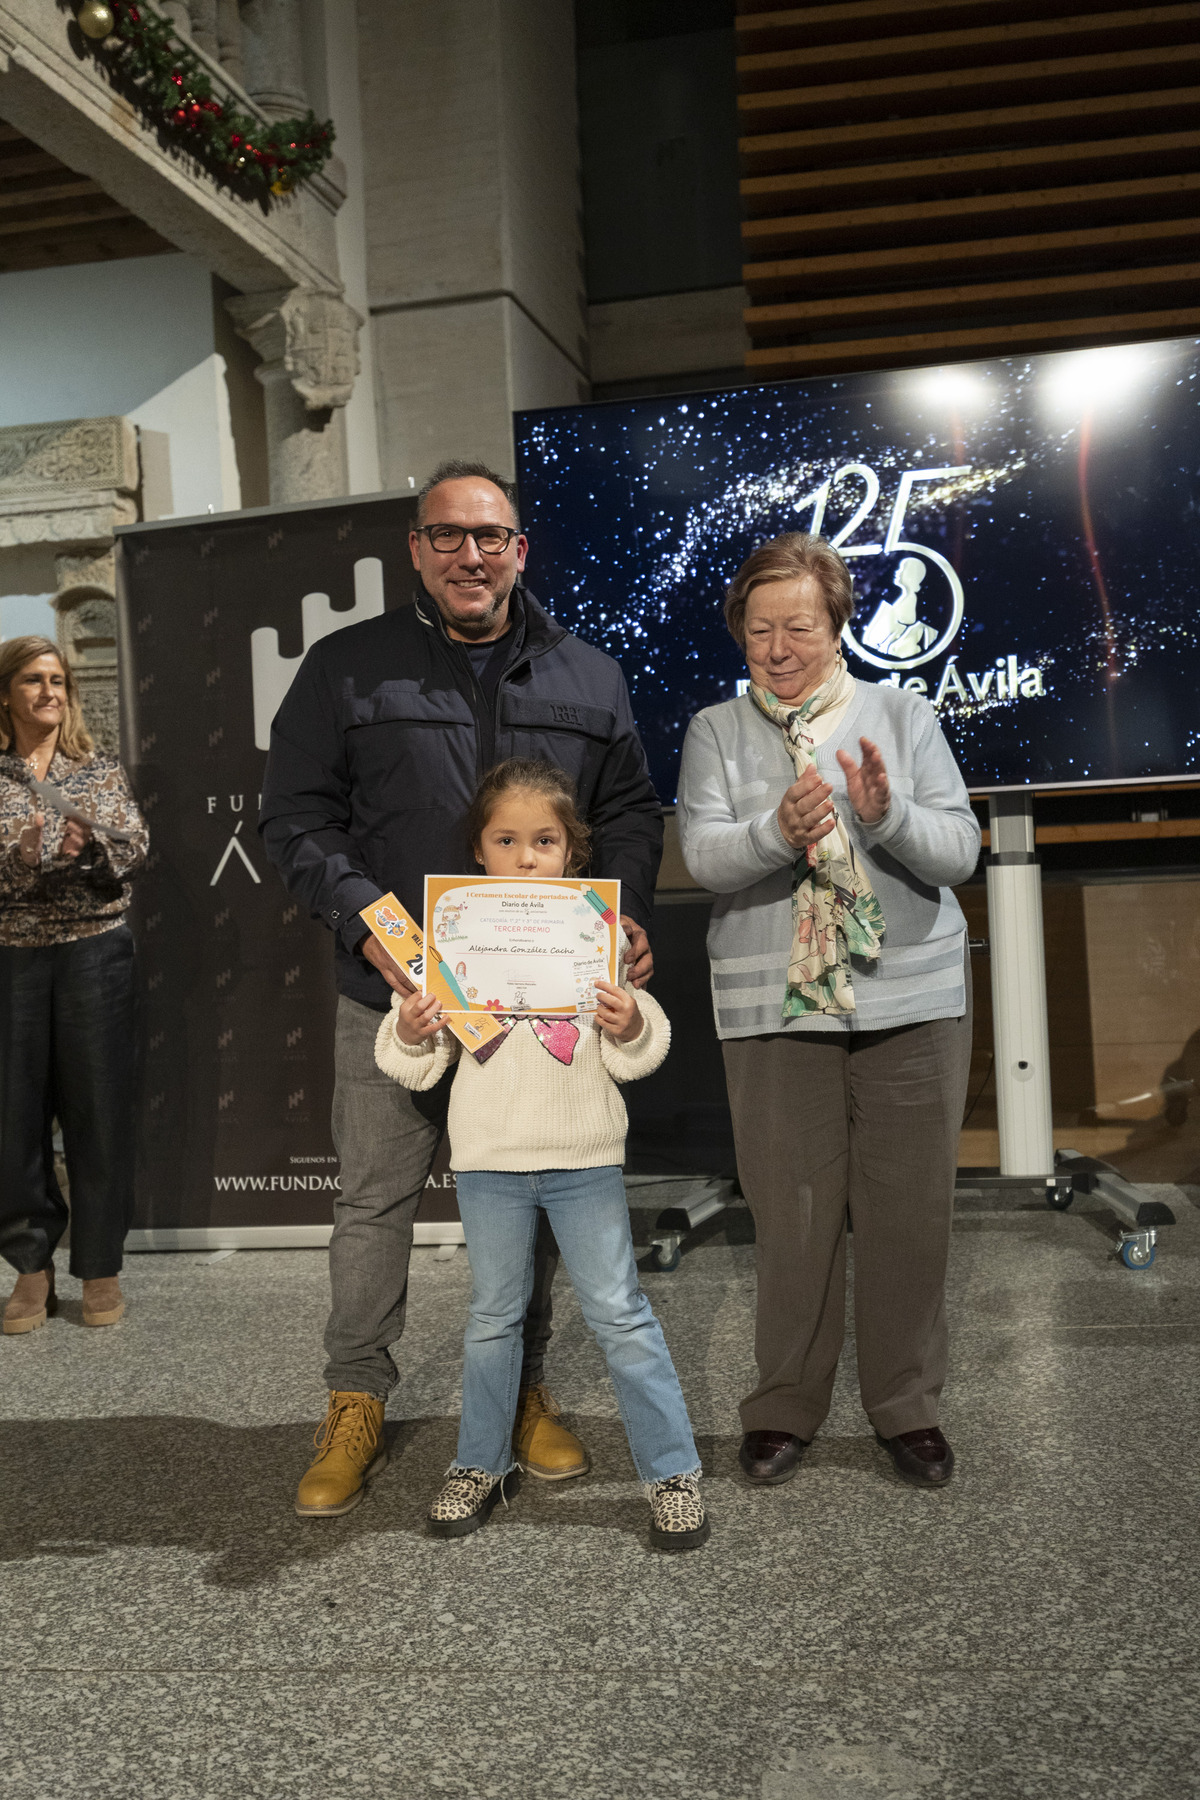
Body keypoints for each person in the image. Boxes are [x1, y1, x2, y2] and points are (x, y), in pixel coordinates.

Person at [259, 459, 664, 1518]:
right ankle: (355, 1398)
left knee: (522, 1208)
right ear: (418, 551)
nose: (470, 554)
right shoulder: (347, 668)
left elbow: (627, 817)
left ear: (519, 550)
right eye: (447, 536)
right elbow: (295, 818)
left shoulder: (589, 675)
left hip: (538, 1014)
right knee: (373, 1204)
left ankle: (521, 1391)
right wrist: (372, 930)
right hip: (399, 999)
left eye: (490, 536)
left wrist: (617, 923)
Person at [676, 533, 981, 1488]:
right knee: (794, 1217)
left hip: (911, 997)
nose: (779, 645)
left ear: (836, 622)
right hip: (773, 1006)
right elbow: (703, 858)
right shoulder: (715, 732)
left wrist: (885, 817)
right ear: (739, 633)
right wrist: (778, 830)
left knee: (908, 1215)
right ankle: (785, 1407)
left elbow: (960, 848)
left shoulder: (904, 713)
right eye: (760, 629)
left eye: (799, 625)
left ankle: (904, 1406)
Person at [376, 760, 706, 1551]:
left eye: (546, 840)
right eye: (507, 839)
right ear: (480, 851)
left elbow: (639, 1052)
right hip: (490, 1160)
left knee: (620, 1313)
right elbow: (414, 1063)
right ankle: (479, 1464)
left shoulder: (597, 937)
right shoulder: (448, 938)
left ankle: (672, 1474)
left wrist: (629, 1022)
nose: (527, 857)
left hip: (585, 1154)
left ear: (572, 851)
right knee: (493, 1318)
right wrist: (413, 1028)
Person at [0, 636, 148, 1335]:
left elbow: (136, 845)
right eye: (32, 679)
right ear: (6, 693)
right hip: (11, 958)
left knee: (98, 1113)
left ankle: (100, 1267)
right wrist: (22, 856)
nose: (49, 691)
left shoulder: (96, 769)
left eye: (58, 679)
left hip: (94, 955)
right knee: (13, 1118)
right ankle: (31, 1270)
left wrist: (88, 850)